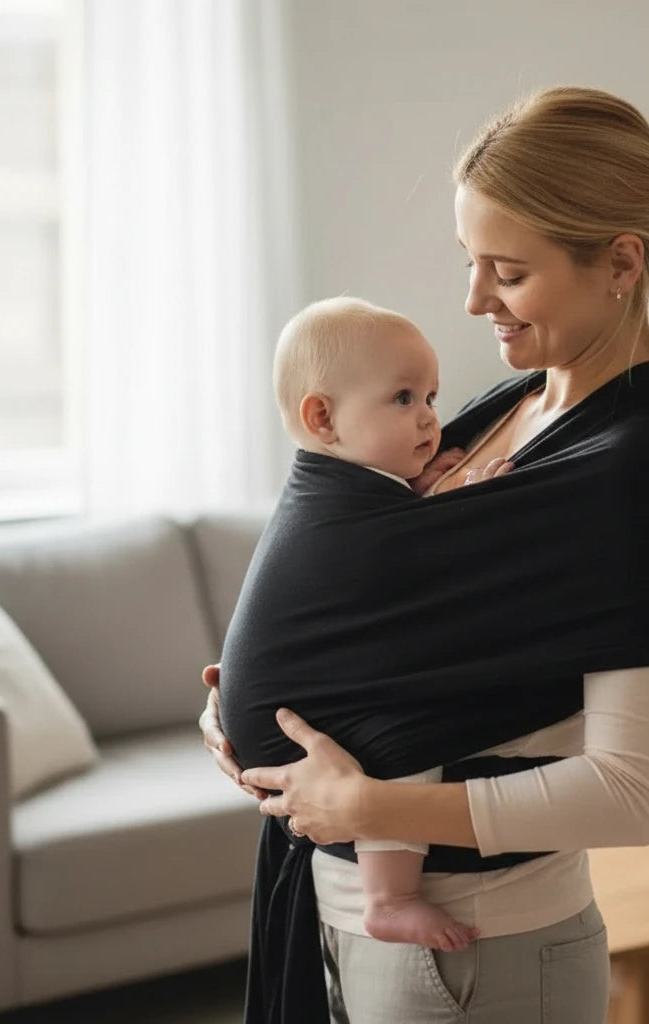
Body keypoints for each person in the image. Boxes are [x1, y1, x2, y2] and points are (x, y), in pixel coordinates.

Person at [201, 85, 649, 1024]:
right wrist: (252, 706)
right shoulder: (515, 407)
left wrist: (368, 808)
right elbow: (391, 617)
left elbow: (630, 794)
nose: (472, 300)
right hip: (340, 910)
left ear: (621, 263)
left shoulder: (638, 467)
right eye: (469, 262)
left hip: (475, 951)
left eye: (506, 270)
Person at [223, 295, 496, 954]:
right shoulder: (343, 511)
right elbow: (426, 567)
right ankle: (390, 897)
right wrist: (472, 503)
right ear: (323, 418)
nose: (431, 418)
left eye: (432, 395)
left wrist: (425, 492)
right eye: (403, 399)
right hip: (286, 720)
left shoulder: (343, 490)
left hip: (270, 703)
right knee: (405, 732)